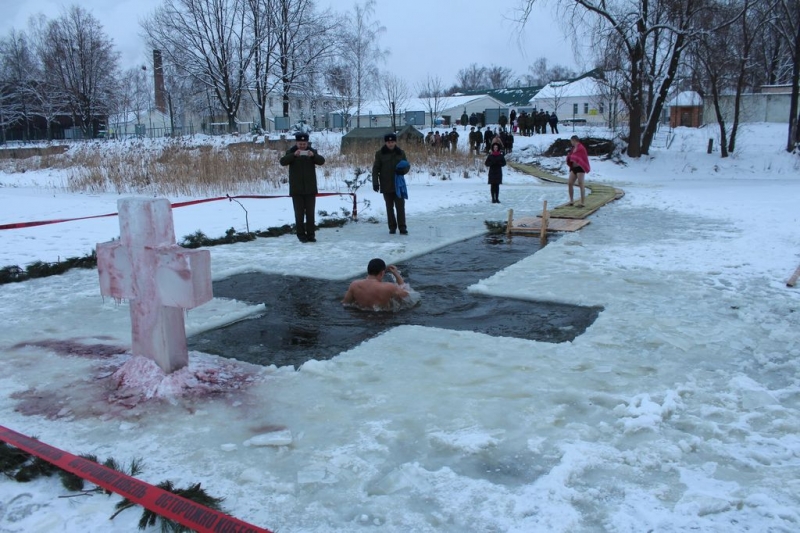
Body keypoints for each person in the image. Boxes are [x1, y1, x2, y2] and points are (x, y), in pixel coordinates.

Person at [279, 132, 325, 242]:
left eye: (304, 144)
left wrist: (313, 156)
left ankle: (311, 235)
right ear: (297, 143)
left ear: (307, 143)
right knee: (299, 215)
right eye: (300, 144)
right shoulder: (291, 152)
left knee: (310, 214)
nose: (302, 146)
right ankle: (301, 235)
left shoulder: (312, 152)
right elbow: (283, 162)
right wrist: (293, 155)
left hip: (310, 189)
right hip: (297, 190)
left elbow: (321, 161)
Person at [373, 133, 410, 234]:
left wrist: (403, 171)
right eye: (389, 142)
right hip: (386, 184)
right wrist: (375, 182)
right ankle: (392, 227)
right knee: (389, 207)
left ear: (395, 142)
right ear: (386, 142)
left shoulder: (401, 153)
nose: (390, 144)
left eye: (392, 142)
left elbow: (407, 165)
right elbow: (376, 169)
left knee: (400, 207)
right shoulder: (380, 154)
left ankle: (402, 227)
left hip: (399, 185)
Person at [342, 258, 409, 311]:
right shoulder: (389, 287)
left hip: (362, 317)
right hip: (383, 317)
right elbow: (407, 295)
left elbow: (345, 303)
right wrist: (397, 274)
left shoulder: (354, 285)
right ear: (382, 273)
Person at [566, 135, 590, 207]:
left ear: (574, 140)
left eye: (571, 141)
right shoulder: (573, 148)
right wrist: (569, 156)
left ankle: (582, 202)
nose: (571, 143)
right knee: (570, 183)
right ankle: (571, 201)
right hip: (573, 168)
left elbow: (580, 157)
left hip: (580, 168)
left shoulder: (581, 148)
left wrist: (572, 156)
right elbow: (571, 156)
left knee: (580, 183)